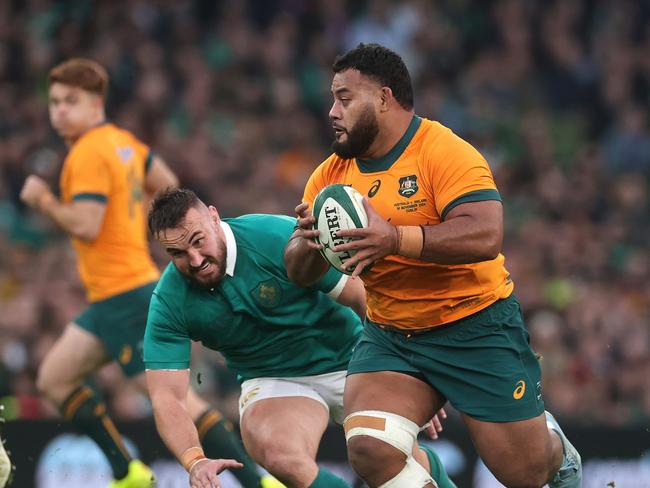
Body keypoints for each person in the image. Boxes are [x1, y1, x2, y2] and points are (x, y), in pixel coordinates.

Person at [284, 43, 582, 488]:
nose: (332, 111)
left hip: (474, 324)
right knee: (368, 446)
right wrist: (308, 245)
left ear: (384, 99)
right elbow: (297, 272)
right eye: (333, 98)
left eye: (345, 99)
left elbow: (486, 233)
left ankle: (555, 446)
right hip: (392, 334)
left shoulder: (443, 151)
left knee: (526, 474)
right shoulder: (329, 176)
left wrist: (395, 239)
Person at [19, 58, 271, 488]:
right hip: (111, 297)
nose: (59, 111)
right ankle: (127, 472)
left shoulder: (86, 153)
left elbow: (85, 223)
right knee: (54, 378)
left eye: (70, 102)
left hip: (125, 293)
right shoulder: (124, 144)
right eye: (55, 102)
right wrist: (131, 217)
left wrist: (42, 199)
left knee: (176, 400)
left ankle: (259, 482)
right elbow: (168, 184)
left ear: (96, 102)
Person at [143, 187, 455, 488]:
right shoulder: (170, 300)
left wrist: (408, 366)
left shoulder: (276, 238)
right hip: (273, 379)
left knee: (393, 457)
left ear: (214, 217)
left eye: (198, 241)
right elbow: (167, 397)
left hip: (353, 357)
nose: (195, 260)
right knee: (277, 453)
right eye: (177, 253)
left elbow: (364, 299)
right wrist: (194, 460)